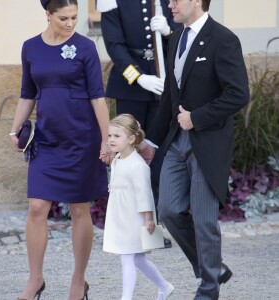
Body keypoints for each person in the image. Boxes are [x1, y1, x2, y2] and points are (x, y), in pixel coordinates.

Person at [139, 0, 250, 299]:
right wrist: (150, 142)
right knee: (169, 211)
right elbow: (169, 100)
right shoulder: (175, 38)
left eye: (175, 0)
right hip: (176, 141)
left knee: (203, 220)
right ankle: (210, 267)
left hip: (208, 142)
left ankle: (208, 288)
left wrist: (196, 118)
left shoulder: (224, 39)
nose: (170, 5)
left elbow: (238, 94)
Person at [9, 1, 111, 299]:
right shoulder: (30, 47)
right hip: (47, 139)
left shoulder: (85, 48)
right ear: (48, 15)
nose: (70, 24)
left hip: (82, 138)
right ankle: (35, 279)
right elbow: (27, 94)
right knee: (37, 207)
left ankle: (78, 280)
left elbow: (98, 97)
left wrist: (106, 139)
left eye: (75, 18)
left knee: (78, 208)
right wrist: (15, 130)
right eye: (63, 18)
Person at [97, 0, 181, 249]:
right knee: (128, 157)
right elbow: (115, 46)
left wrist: (169, 31)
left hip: (163, 81)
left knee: (158, 156)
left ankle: (154, 226)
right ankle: (129, 226)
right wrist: (138, 77)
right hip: (131, 85)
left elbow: (185, 35)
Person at [103, 114, 174, 300]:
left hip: (134, 218)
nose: (111, 140)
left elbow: (145, 195)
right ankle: (164, 286)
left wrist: (149, 219)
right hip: (121, 216)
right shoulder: (118, 158)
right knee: (138, 259)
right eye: (110, 136)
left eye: (117, 136)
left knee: (127, 258)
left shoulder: (138, 165)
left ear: (131, 139)